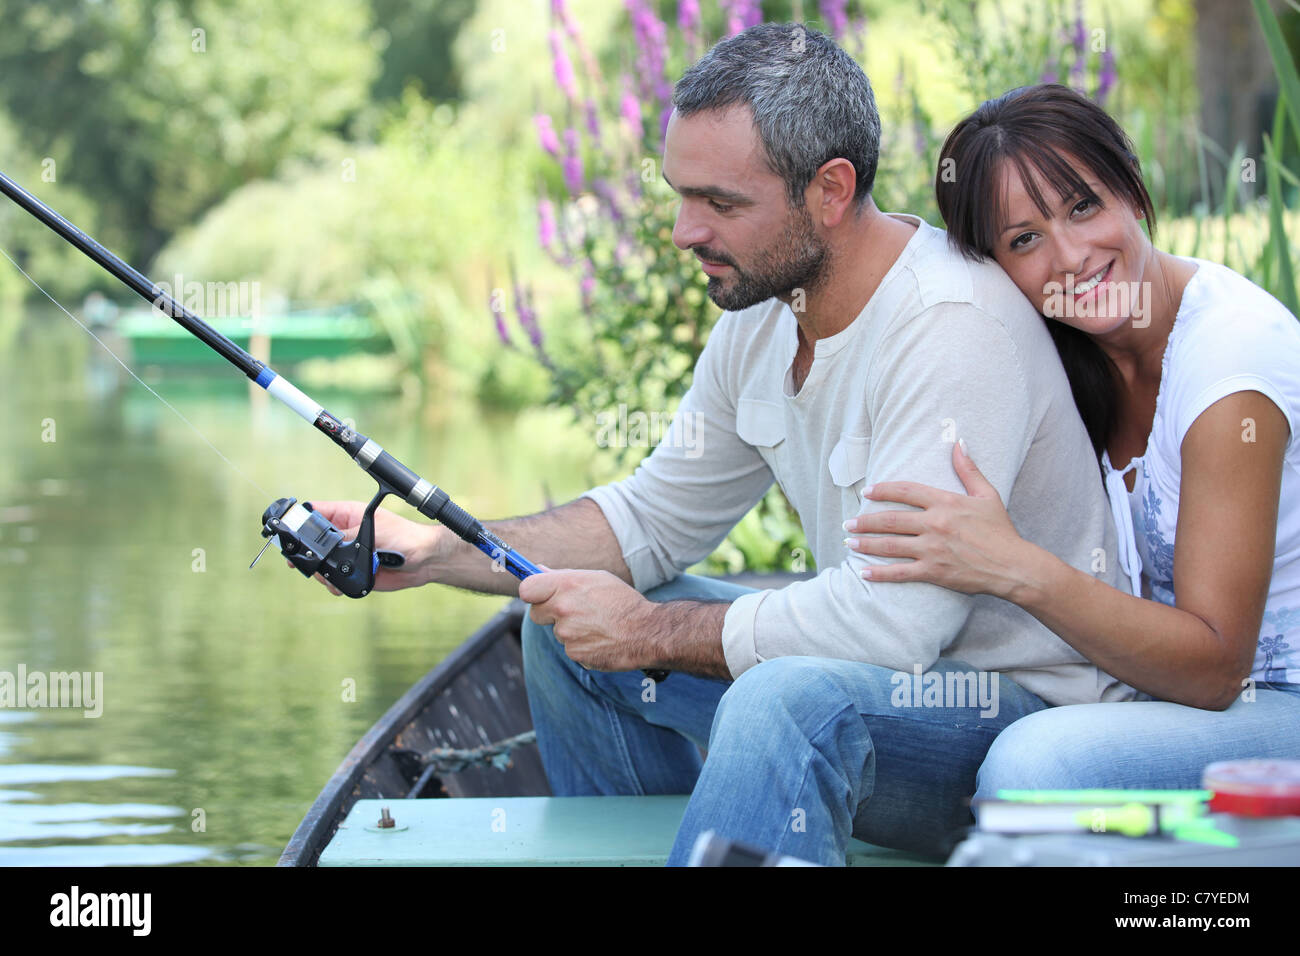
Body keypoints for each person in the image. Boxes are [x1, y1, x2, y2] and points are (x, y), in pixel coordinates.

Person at [309, 27, 1137, 866]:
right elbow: (649, 521)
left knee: (786, 700)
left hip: (1012, 733)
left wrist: (651, 633)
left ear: (831, 190)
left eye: (721, 203)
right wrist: (426, 551)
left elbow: (894, 628)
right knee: (560, 618)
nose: (682, 230)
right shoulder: (768, 318)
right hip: (876, 695)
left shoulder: (950, 326)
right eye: (680, 194)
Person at [843, 83, 1300, 797]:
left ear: (1134, 191)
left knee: (1037, 767)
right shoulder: (1068, 359)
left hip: (1273, 703)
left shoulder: (1228, 367)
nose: (1071, 255)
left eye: (1083, 205)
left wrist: (1012, 566)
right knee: (845, 704)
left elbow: (1216, 669)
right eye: (1025, 239)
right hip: (1148, 696)